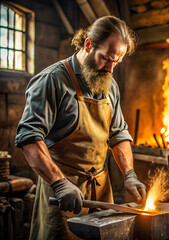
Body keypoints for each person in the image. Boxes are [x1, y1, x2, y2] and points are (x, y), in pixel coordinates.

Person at [15, 16, 146, 239]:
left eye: (117, 62)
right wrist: (59, 184)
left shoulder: (110, 85)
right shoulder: (51, 80)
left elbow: (118, 134)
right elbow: (29, 139)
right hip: (63, 194)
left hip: (101, 193)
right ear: (88, 44)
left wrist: (130, 174)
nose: (111, 69)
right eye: (106, 58)